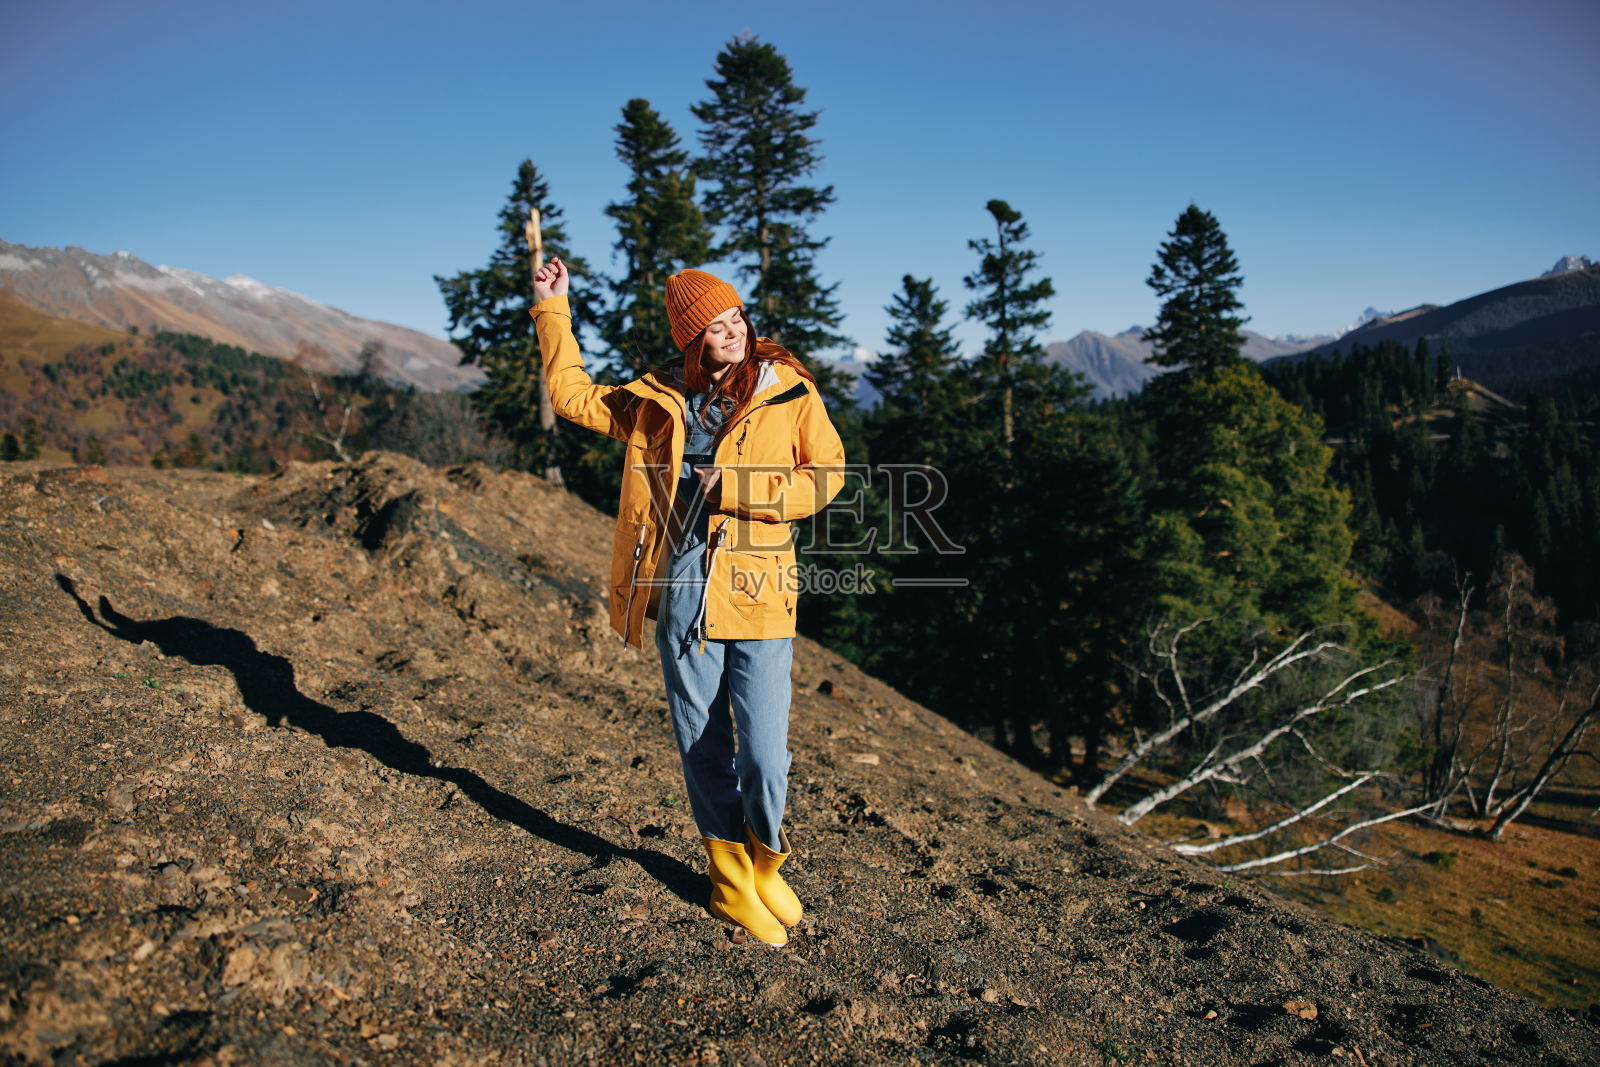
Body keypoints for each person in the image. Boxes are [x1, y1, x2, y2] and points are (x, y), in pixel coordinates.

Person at [529, 258, 845, 947]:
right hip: (684, 584)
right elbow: (572, 395)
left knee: (765, 752)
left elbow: (826, 475)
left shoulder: (789, 391)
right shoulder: (659, 399)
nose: (731, 332)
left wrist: (741, 490)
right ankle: (730, 881)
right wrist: (554, 308)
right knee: (704, 744)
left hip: (761, 585)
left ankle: (766, 859)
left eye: (736, 318)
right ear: (691, 339)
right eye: (714, 326)